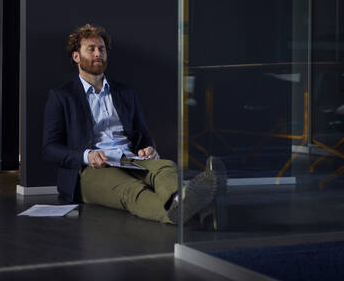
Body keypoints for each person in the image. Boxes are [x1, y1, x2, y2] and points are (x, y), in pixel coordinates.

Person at [42, 23, 226, 224]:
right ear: (76, 56)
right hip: (90, 171)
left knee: (164, 166)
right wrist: (87, 155)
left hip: (129, 159)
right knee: (133, 190)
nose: (98, 54)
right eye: (91, 49)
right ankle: (201, 209)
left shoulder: (125, 93)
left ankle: (188, 207)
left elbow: (142, 134)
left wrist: (148, 149)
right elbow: (50, 149)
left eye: (102, 49)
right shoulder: (61, 96)